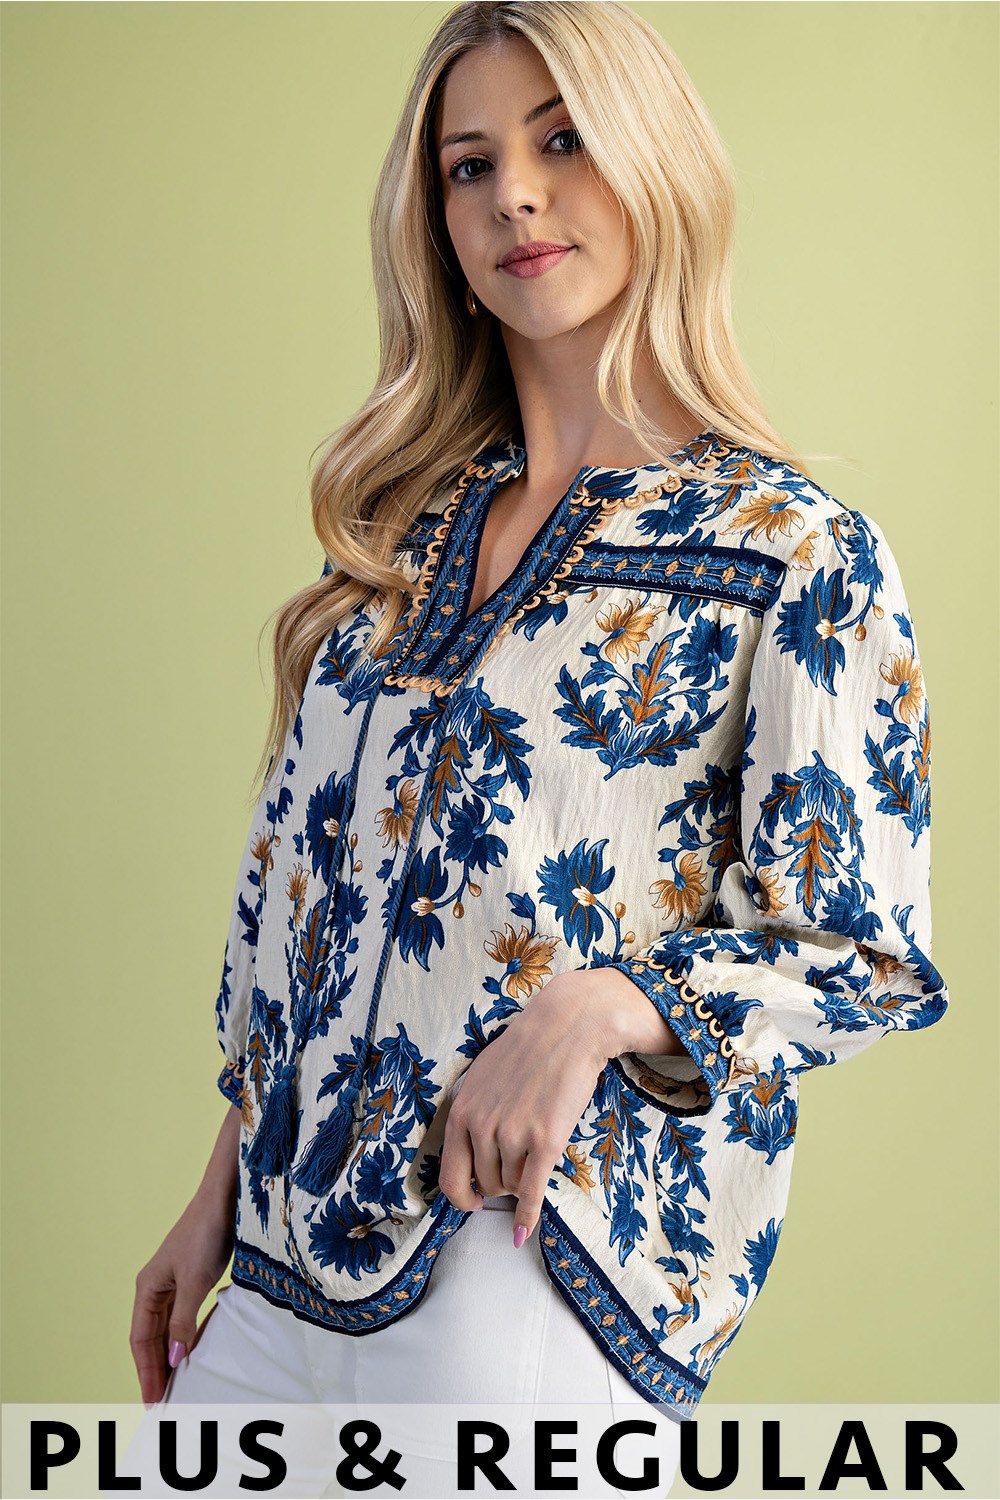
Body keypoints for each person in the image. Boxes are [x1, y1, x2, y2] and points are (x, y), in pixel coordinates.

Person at [124, 3, 948, 1496]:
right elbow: (301, 895)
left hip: (528, 1264)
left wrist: (595, 1009)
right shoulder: (397, 539)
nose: (515, 193)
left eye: (565, 141)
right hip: (277, 1264)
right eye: (470, 163)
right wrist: (222, 1181)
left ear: (657, 163)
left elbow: (861, 952)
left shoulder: (793, 554)